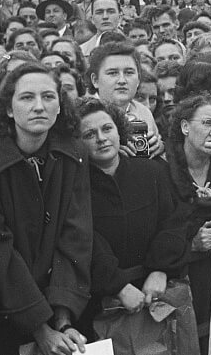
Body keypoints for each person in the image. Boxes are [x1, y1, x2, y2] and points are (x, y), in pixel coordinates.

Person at [0, 63, 92, 354]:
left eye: (48, 97)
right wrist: (41, 329)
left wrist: (63, 320)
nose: (39, 106)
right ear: (8, 109)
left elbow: (75, 235)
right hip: (0, 307)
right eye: (27, 98)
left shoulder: (74, 152)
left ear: (59, 107)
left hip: (58, 301)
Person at [73, 97, 189, 340]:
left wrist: (161, 269)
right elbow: (84, 240)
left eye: (107, 128)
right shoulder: (74, 187)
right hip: (101, 306)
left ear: (119, 130)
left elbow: (173, 221)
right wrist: (117, 285)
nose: (101, 138)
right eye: (89, 134)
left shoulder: (151, 171)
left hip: (155, 294)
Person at [165, 93, 211, 355]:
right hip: (179, 281)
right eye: (207, 123)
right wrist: (192, 244)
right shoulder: (164, 168)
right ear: (184, 127)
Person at [86, 41, 164, 158]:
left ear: (138, 79)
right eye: (113, 73)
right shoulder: (82, 113)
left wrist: (159, 146)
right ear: (95, 80)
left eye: (129, 72)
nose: (122, 80)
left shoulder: (144, 112)